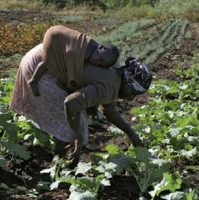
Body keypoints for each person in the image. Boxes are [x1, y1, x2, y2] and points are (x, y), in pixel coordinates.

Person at [9, 43, 152, 168]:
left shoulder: (115, 72)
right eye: (133, 92)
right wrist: (78, 136)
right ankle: (60, 163)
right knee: (72, 126)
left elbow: (110, 111)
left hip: (42, 54)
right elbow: (71, 103)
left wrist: (131, 133)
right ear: (127, 82)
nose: (131, 98)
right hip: (41, 67)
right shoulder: (109, 87)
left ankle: (60, 159)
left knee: (77, 122)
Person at [28, 25, 120, 97]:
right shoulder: (85, 52)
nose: (97, 62)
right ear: (101, 47)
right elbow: (72, 67)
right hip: (55, 36)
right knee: (49, 62)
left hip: (60, 33)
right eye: (100, 59)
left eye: (101, 64)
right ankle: (33, 81)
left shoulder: (95, 50)